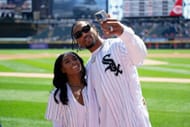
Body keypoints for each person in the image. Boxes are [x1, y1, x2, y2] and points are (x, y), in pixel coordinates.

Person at [71, 15, 152, 127]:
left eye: (86, 29)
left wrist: (123, 32)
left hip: (134, 120)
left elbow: (140, 56)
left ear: (94, 28)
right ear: (78, 42)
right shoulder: (88, 68)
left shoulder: (117, 44)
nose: (84, 34)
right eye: (78, 34)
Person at [45, 51, 88, 127]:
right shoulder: (57, 95)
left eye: (75, 59)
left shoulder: (92, 86)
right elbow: (57, 125)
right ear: (63, 70)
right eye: (67, 62)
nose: (73, 62)